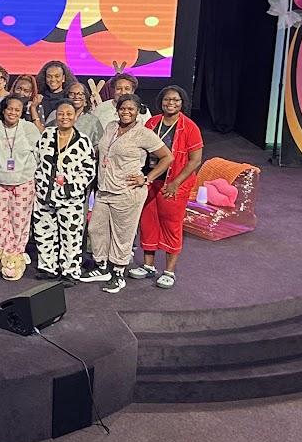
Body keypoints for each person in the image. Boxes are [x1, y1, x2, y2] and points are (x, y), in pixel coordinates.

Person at [80, 94, 171, 294]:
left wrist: (146, 178)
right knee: (96, 228)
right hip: (104, 189)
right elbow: (102, 150)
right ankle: (102, 267)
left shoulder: (143, 133)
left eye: (131, 109)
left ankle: (118, 273)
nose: (126, 112)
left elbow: (167, 157)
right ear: (117, 110)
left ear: (138, 111)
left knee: (122, 234)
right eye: (123, 108)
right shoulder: (111, 127)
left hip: (127, 192)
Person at [136, 85, 205, 289]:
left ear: (182, 103)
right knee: (148, 222)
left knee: (171, 225)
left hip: (175, 183)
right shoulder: (152, 123)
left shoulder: (189, 127)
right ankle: (148, 266)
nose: (171, 103)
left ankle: (169, 271)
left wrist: (176, 182)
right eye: (167, 99)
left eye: (175, 100)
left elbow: (195, 160)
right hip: (151, 180)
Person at [32, 100, 96, 279]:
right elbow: (36, 160)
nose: (64, 117)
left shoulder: (83, 141)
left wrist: (70, 187)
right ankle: (48, 267)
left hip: (71, 199)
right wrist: (38, 183)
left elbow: (89, 170)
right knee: (44, 233)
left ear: (75, 117)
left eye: (69, 114)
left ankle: (70, 271)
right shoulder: (46, 135)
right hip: (44, 195)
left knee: (71, 236)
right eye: (61, 113)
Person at [0, 94, 42, 281]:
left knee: (19, 222)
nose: (13, 113)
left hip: (23, 182)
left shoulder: (29, 128)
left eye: (17, 110)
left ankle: (16, 257)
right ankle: (4, 254)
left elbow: (39, 152)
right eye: (10, 108)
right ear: (3, 109)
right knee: (0, 221)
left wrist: (29, 172)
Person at [87, 68, 138, 133]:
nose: (123, 92)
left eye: (127, 89)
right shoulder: (101, 108)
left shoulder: (142, 110)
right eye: (119, 88)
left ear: (133, 91)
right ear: (113, 90)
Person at [34, 60, 75, 127]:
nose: (53, 79)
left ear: (63, 78)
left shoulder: (69, 98)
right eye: (49, 76)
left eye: (57, 76)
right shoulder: (39, 98)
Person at [66, 81, 103, 150]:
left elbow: (99, 145)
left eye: (80, 94)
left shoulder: (93, 121)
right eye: (72, 94)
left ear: (86, 101)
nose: (76, 96)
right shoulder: (56, 115)